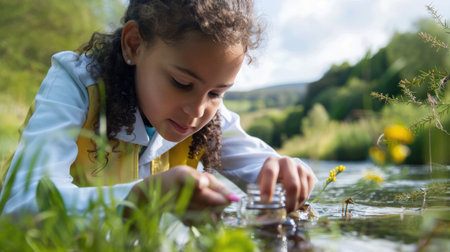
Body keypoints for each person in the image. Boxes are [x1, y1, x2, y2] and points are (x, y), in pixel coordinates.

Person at [0, 0, 316, 218]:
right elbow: (22, 205)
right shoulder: (76, 83)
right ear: (134, 44)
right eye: (181, 83)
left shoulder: (208, 117)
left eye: (217, 93)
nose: (197, 111)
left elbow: (267, 168)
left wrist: (288, 172)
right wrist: (143, 197)